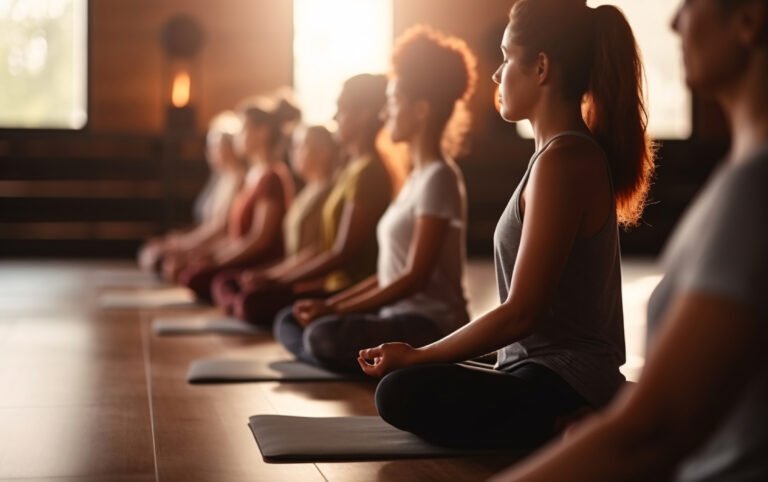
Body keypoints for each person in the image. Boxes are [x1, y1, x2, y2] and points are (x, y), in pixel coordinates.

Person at [359, 0, 655, 450]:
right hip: (530, 370)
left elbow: (522, 311)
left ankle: (599, 415)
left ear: (540, 67)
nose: (497, 74)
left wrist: (419, 354)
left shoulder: (566, 160)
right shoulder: (550, 158)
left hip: (567, 382)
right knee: (412, 379)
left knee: (400, 391)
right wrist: (423, 357)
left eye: (505, 57)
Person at [490, 1, 768, 480]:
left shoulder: (753, 193)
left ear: (748, 20)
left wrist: (616, 422)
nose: (674, 21)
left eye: (691, 2)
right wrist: (614, 418)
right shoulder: (738, 183)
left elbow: (652, 432)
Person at [273, 26, 478, 373]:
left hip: (428, 325)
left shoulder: (439, 178)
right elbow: (389, 274)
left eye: (393, 103)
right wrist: (333, 304)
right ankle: (352, 360)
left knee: (321, 334)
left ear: (421, 110)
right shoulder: (416, 178)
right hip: (394, 317)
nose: (384, 115)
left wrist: (335, 311)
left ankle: (351, 360)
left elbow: (414, 278)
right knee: (290, 321)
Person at [214, 74, 394, 325]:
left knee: (261, 306)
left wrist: (278, 280)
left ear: (364, 114)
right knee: (233, 286)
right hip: (327, 285)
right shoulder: (349, 170)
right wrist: (272, 275)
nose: (334, 118)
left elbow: (342, 253)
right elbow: (321, 245)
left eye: (341, 110)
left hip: (346, 288)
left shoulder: (369, 173)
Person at [167, 93, 300, 302]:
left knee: (202, 278)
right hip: (239, 258)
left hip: (257, 263)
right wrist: (208, 256)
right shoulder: (252, 175)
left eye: (243, 130)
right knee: (195, 273)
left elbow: (259, 239)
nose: (237, 138)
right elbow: (233, 235)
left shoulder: (273, 176)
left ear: (262, 132)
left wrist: (217, 262)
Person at [211, 124, 340, 320]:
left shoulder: (330, 192)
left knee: (249, 300)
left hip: (309, 281)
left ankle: (238, 306)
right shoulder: (306, 191)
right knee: (226, 282)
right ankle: (236, 305)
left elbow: (316, 250)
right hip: (288, 272)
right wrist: (267, 274)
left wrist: (274, 277)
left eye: (300, 146)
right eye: (293, 146)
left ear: (323, 152)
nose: (293, 152)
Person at [137, 111, 245, 274]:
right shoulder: (219, 179)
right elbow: (205, 225)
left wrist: (183, 246)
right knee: (150, 253)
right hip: (204, 244)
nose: (209, 152)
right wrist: (178, 241)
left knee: (166, 262)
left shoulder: (240, 180)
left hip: (219, 247)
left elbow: (221, 228)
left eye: (215, 146)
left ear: (230, 147)